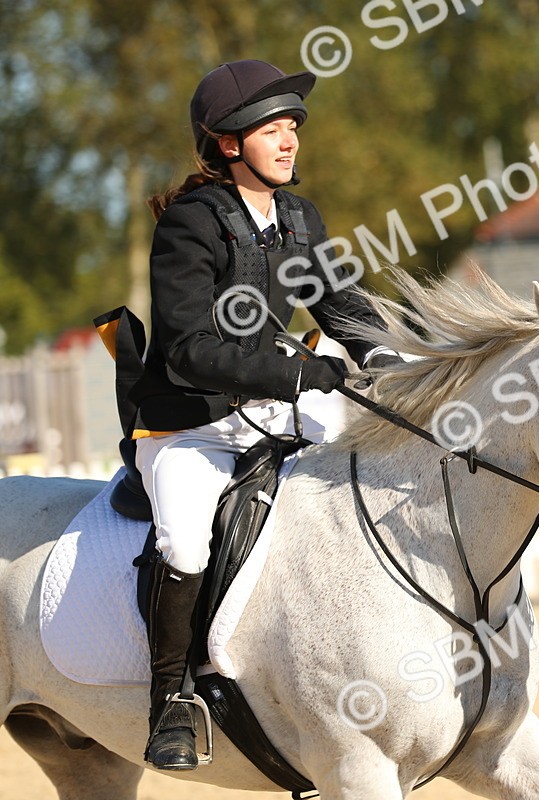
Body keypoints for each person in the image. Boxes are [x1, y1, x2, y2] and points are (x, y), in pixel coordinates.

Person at [131, 60, 399, 771]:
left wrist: (398, 366)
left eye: (292, 129)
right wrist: (299, 371)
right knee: (186, 544)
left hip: (270, 414)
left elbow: (341, 308)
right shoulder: (192, 224)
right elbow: (189, 348)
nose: (289, 143)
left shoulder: (298, 219)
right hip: (187, 424)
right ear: (227, 144)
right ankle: (174, 699)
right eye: (272, 130)